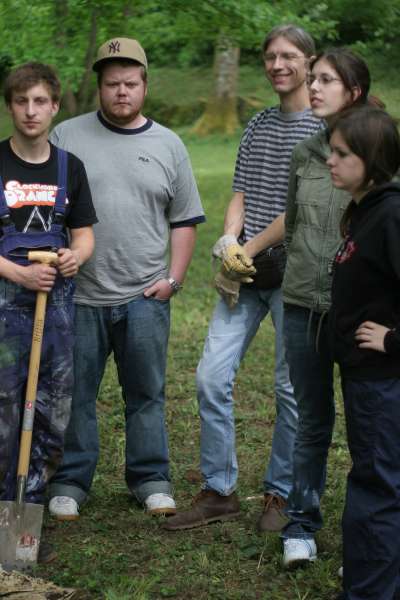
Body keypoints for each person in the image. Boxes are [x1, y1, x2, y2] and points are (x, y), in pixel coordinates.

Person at [164, 24, 322, 533]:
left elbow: (297, 208)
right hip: (246, 276)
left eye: (289, 56)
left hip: (296, 275)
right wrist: (231, 242)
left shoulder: (325, 130)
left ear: (309, 62)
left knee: (290, 388)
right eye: (271, 56)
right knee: (211, 376)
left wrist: (248, 247)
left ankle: (280, 494)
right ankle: (219, 490)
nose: (278, 65)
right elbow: (240, 192)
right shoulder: (256, 125)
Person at [48, 37, 205, 519]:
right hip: (78, 294)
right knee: (75, 394)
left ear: (145, 86)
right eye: (112, 83)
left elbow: (183, 219)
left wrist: (173, 280)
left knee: (146, 392)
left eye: (130, 84)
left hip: (144, 294)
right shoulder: (65, 136)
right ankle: (71, 481)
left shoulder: (168, 144)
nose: (121, 92)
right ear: (99, 86)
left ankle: (151, 478)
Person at [279, 49, 375, 567]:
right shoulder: (305, 153)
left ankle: (368, 537)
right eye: (311, 79)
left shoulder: (381, 155)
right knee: (311, 420)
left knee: (368, 427)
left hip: (358, 316)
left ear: (353, 93)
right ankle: (301, 526)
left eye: (325, 80)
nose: (311, 87)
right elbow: (293, 226)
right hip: (301, 307)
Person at [0, 62, 96, 558]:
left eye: (40, 101)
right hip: (4, 310)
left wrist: (77, 255)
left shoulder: (68, 167)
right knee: (5, 409)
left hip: (54, 308)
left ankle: (29, 506)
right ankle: (3, 508)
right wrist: (17, 273)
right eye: (21, 101)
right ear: (10, 106)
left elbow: (82, 233)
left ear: (55, 106)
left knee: (53, 409)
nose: (31, 111)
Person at [327, 106, 400, 600]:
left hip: (384, 380)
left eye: (341, 154)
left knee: (377, 488)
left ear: (370, 161)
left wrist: (394, 339)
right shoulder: (367, 209)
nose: (330, 161)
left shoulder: (392, 215)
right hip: (366, 378)